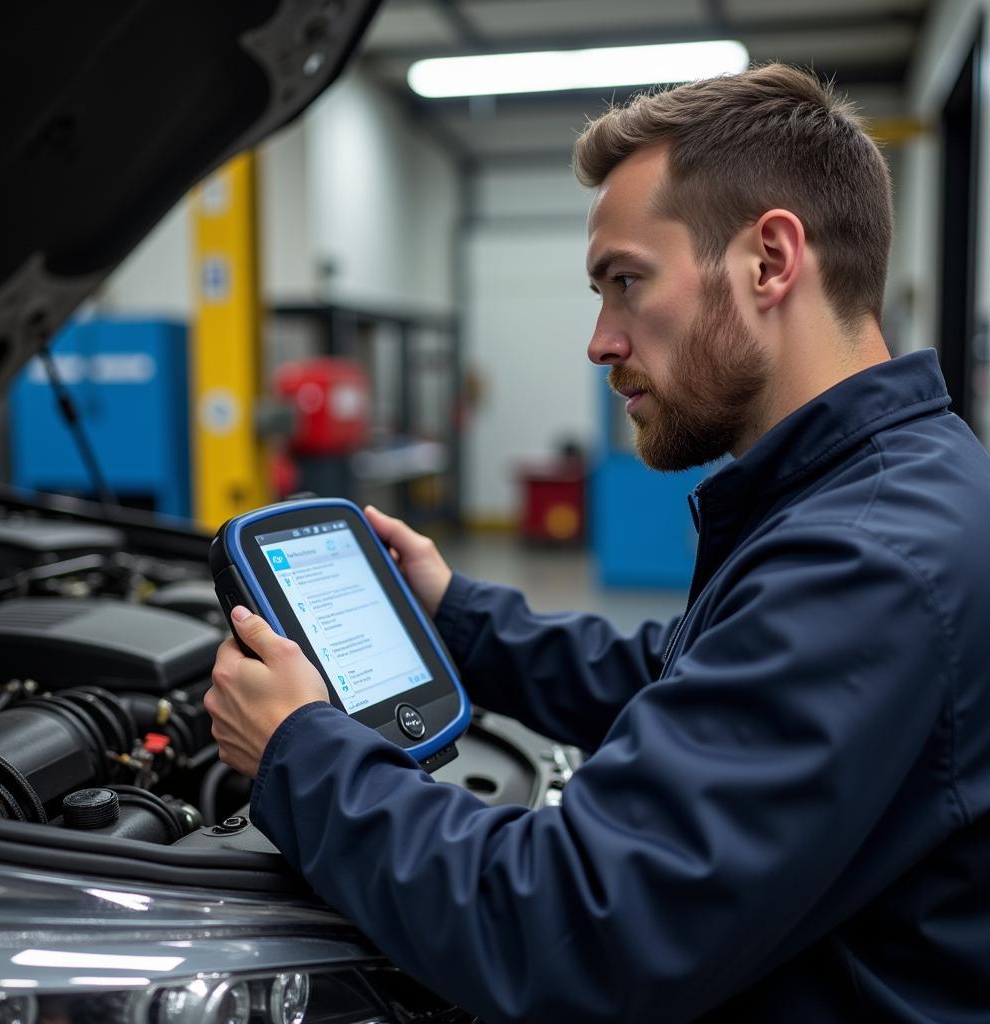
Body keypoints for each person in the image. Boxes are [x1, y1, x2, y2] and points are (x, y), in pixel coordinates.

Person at [205, 64, 990, 1023]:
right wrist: (455, 615)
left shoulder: (869, 556)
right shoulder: (874, 488)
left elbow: (567, 928)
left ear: (771, 261)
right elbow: (688, 683)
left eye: (626, 283)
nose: (601, 340)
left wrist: (300, 752)